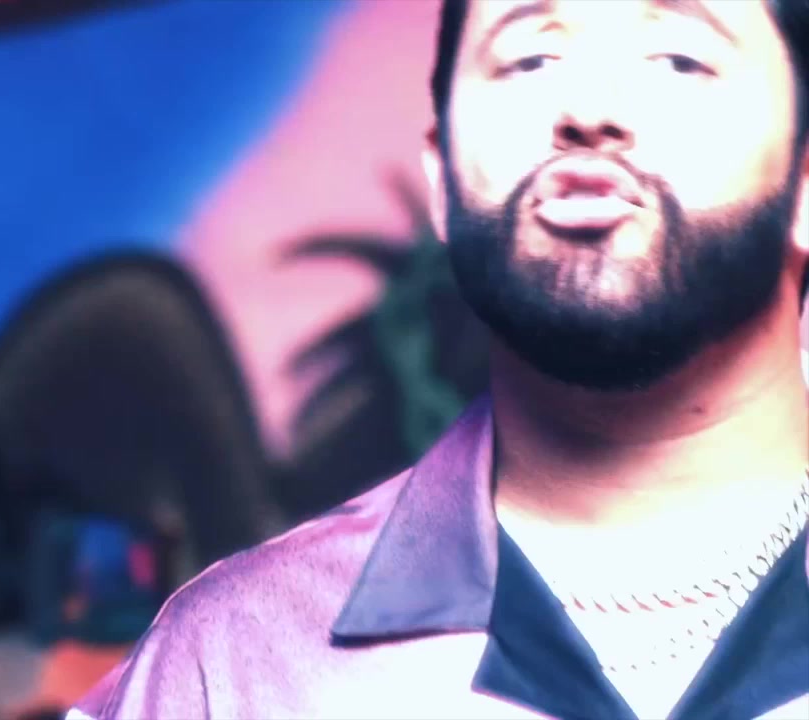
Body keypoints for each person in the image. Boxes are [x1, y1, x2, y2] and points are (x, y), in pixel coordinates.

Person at [67, 0, 809, 717]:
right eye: (530, 58)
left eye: (677, 58)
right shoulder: (225, 665)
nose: (588, 109)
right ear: (441, 183)